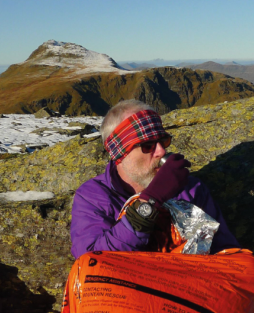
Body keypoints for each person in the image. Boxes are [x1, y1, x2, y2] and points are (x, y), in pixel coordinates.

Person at [70, 100, 239, 258]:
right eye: (148, 146)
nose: (161, 152)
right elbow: (91, 258)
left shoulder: (191, 189)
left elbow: (225, 250)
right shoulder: (92, 196)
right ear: (119, 154)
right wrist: (151, 201)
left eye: (163, 141)